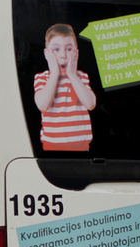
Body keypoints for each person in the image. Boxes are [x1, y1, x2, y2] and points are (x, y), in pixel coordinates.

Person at [33, 23, 97, 151]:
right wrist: (55, 74)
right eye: (56, 49)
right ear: (47, 54)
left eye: (69, 49)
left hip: (82, 149)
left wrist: (72, 75)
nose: (63, 55)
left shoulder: (81, 77)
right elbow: (43, 105)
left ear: (76, 53)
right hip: (52, 149)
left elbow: (90, 104)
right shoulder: (42, 78)